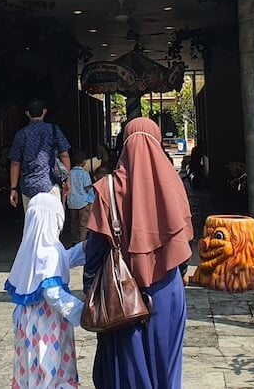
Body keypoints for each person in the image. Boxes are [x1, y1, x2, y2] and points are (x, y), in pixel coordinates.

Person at [83, 118, 194, 388]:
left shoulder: (108, 188)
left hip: (123, 292)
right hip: (167, 290)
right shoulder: (174, 184)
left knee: (127, 365)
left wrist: (90, 289)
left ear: (124, 145)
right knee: (166, 363)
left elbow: (95, 251)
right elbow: (183, 245)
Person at [5, 192, 86, 388]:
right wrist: (82, 310)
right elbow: (52, 293)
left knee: (32, 368)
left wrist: (85, 249)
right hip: (48, 322)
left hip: (27, 320)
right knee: (51, 368)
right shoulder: (50, 250)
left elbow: (62, 260)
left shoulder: (31, 250)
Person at [9, 98, 72, 210]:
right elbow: (64, 155)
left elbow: (15, 163)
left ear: (27, 113)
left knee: (32, 224)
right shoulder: (54, 130)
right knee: (53, 224)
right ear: (44, 112)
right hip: (50, 185)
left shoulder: (21, 134)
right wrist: (67, 180)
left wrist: (13, 189)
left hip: (28, 188)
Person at [66, 150, 95, 243]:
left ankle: (74, 241)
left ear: (72, 161)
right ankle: (82, 242)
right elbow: (87, 188)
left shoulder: (69, 173)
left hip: (72, 202)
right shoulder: (85, 174)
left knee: (74, 223)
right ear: (84, 162)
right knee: (83, 225)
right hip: (83, 202)